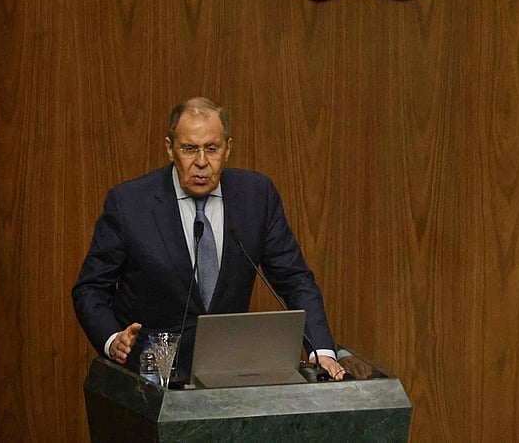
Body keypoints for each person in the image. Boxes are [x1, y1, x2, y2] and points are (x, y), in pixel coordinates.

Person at [71, 97, 346, 381]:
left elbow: (294, 278)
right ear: (170, 149)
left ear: (228, 148)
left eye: (211, 149)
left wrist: (321, 349)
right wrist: (112, 338)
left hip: (228, 374)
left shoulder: (256, 196)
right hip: (149, 376)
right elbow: (90, 288)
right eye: (189, 149)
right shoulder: (129, 203)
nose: (201, 162)